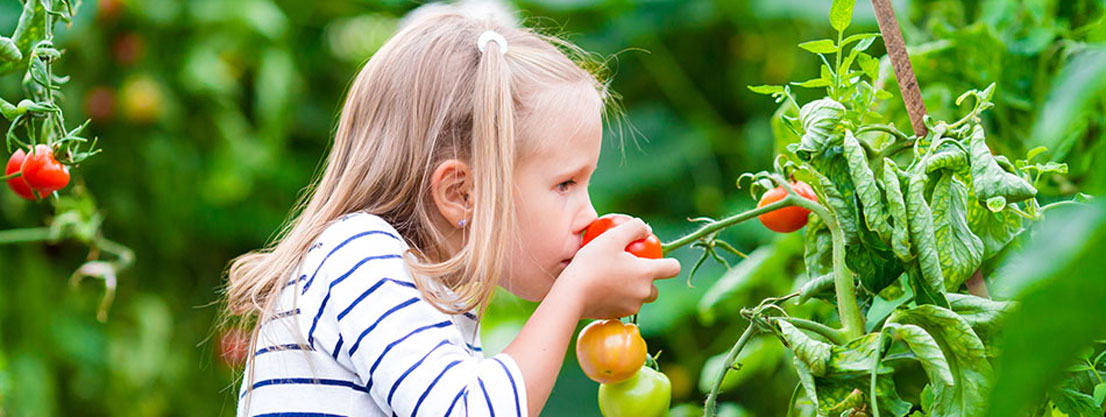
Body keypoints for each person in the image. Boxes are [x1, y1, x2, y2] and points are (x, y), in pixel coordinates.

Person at [222, 4, 681, 416]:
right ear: (461, 194)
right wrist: (574, 292)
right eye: (565, 184)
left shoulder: (431, 295)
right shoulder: (360, 256)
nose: (588, 214)